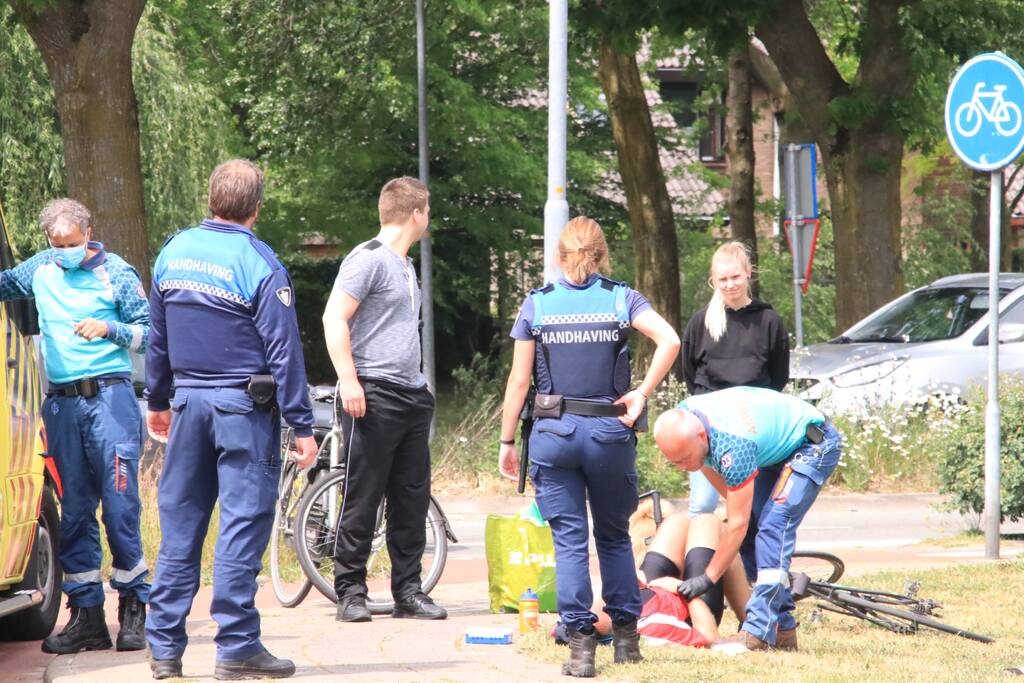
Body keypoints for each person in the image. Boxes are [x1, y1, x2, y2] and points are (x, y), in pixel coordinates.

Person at [144, 160, 318, 680]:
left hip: (187, 406)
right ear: (256, 207)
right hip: (242, 411)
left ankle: (164, 651)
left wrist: (156, 400)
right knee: (242, 525)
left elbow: (158, 338)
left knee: (180, 525)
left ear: (211, 198)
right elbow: (284, 352)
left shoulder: (173, 252)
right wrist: (302, 425)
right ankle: (237, 647)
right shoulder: (259, 263)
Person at [498, 216, 680, 678]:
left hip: (554, 435)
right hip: (608, 434)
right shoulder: (622, 298)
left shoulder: (537, 305)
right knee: (615, 536)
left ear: (560, 256)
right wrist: (642, 392)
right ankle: (626, 641)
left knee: (569, 542)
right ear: (601, 254)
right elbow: (670, 340)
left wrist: (505, 440)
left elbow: (520, 381)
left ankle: (580, 649)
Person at [0, 198, 151, 654]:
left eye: (73, 242)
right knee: (76, 510)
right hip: (62, 405)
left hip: (109, 398)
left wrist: (110, 330)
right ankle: (87, 616)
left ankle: (133, 608)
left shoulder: (117, 272)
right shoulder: (41, 268)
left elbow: (153, 332)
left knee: (121, 507)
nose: (65, 251)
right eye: (57, 243)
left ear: (89, 233)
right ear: (48, 240)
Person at [322, 176, 444, 623]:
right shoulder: (367, 259)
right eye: (427, 211)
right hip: (372, 393)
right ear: (416, 213)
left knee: (411, 497)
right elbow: (333, 317)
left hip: (411, 395)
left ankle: (407, 591)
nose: (429, 218)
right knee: (364, 495)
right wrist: (349, 381)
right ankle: (350, 592)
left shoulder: (405, 265)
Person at [653, 386, 843, 652]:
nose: (683, 467)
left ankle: (759, 632)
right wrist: (743, 510)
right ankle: (782, 630)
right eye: (675, 463)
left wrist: (708, 577)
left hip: (813, 445)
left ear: (700, 435)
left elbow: (736, 525)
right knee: (755, 526)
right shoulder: (686, 413)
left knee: (772, 526)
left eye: (684, 459)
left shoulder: (733, 445)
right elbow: (704, 465)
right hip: (772, 451)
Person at [681, 241, 789, 520]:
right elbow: (690, 375)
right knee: (703, 505)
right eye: (723, 279)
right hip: (709, 425)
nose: (730, 285)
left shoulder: (769, 320)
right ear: (713, 280)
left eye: (735, 277)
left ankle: (751, 562)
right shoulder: (700, 322)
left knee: (756, 509)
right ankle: (700, 561)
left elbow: (778, 377)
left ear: (748, 273)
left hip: (754, 427)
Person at [587, 512, 750, 647]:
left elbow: (586, 612)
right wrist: (682, 589)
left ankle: (753, 620)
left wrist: (626, 577)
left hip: (650, 591)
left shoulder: (604, 611)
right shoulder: (656, 625)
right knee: (709, 523)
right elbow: (709, 637)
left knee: (676, 521)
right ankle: (752, 622)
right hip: (692, 604)